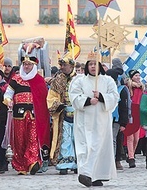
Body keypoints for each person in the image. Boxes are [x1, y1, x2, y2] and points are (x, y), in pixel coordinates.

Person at [68, 51, 119, 187]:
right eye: (90, 64)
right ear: (86, 66)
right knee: (86, 147)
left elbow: (114, 97)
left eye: (95, 64)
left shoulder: (108, 81)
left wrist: (102, 97)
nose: (92, 67)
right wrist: (88, 100)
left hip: (101, 120)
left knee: (98, 146)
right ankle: (85, 173)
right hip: (84, 120)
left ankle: (95, 175)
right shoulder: (79, 80)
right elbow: (73, 97)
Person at [3, 55, 50, 175]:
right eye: (25, 64)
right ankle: (20, 165)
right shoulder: (16, 79)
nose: (27, 66)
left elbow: (44, 97)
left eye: (29, 64)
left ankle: (32, 161)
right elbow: (8, 94)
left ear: (34, 66)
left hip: (34, 114)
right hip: (18, 114)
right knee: (19, 139)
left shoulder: (39, 79)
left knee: (33, 138)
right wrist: (8, 101)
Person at [47, 52, 78, 175]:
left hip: (78, 114)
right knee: (65, 139)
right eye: (61, 65)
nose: (62, 67)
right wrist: (57, 105)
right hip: (64, 114)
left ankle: (77, 163)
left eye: (64, 65)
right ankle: (64, 163)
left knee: (77, 139)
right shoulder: (57, 80)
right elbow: (51, 96)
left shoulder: (78, 79)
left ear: (71, 66)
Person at [106, 68, 129, 171]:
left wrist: (124, 123)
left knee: (113, 140)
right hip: (105, 117)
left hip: (116, 119)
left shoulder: (121, 89)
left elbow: (124, 107)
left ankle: (113, 160)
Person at [124, 69, 144, 168]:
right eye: (136, 75)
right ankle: (131, 157)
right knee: (130, 137)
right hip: (130, 112)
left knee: (137, 138)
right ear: (132, 77)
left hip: (138, 113)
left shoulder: (142, 88)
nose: (138, 77)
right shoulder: (128, 87)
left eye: (138, 75)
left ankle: (131, 153)